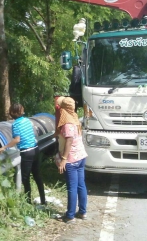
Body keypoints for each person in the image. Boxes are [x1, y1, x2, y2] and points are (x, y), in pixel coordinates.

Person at [0, 103, 46, 206]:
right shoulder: (27, 120)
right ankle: (43, 201)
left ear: (13, 113)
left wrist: (4, 147)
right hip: (35, 149)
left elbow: (17, 140)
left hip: (26, 152)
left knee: (25, 178)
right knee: (37, 176)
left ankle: (28, 202)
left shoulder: (15, 124)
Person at [56, 96, 88, 224]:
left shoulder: (67, 123)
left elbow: (69, 140)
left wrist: (63, 159)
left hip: (72, 159)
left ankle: (69, 216)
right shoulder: (74, 119)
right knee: (81, 185)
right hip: (81, 157)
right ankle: (82, 212)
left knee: (72, 187)